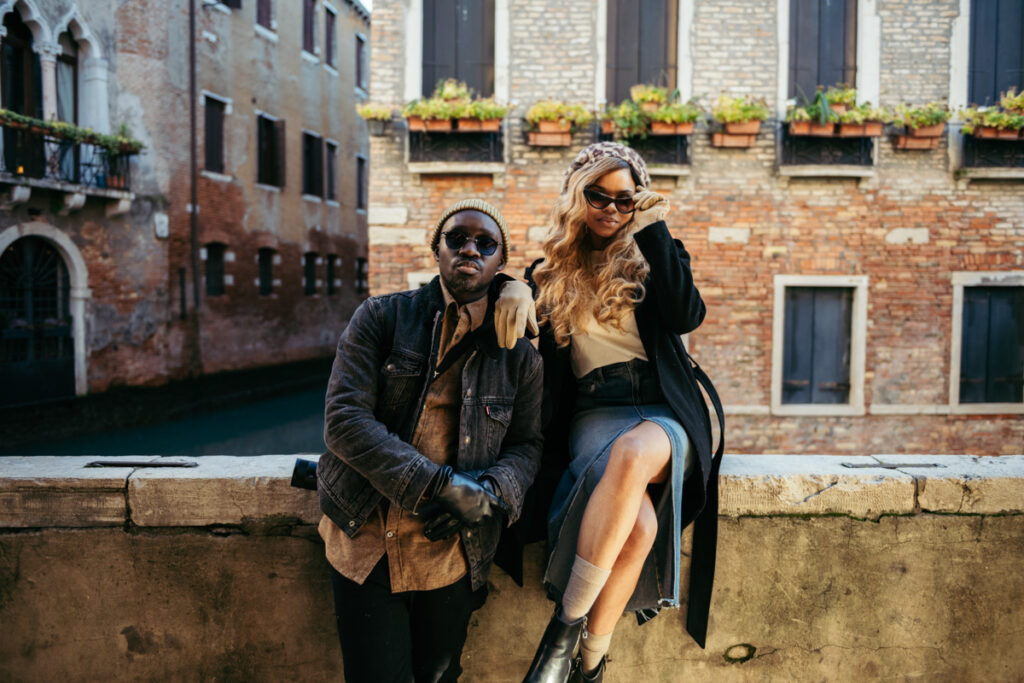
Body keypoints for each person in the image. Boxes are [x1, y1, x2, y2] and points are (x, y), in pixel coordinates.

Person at [495, 142, 724, 683]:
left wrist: (654, 229)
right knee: (640, 525)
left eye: (625, 200)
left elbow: (686, 314)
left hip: (664, 412)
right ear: (578, 194)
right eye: (598, 195)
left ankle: (561, 633)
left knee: (633, 452)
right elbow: (514, 317)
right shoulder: (548, 272)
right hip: (595, 411)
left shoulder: (657, 252)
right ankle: (591, 665)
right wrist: (510, 286)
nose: (610, 209)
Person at [317, 198, 544, 683]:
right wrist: (441, 485)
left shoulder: (520, 356)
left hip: (451, 549)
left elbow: (527, 445)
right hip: (366, 537)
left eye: (486, 243)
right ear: (435, 249)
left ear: (501, 262)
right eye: (457, 238)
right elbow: (343, 420)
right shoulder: (380, 318)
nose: (470, 249)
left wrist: (490, 494)